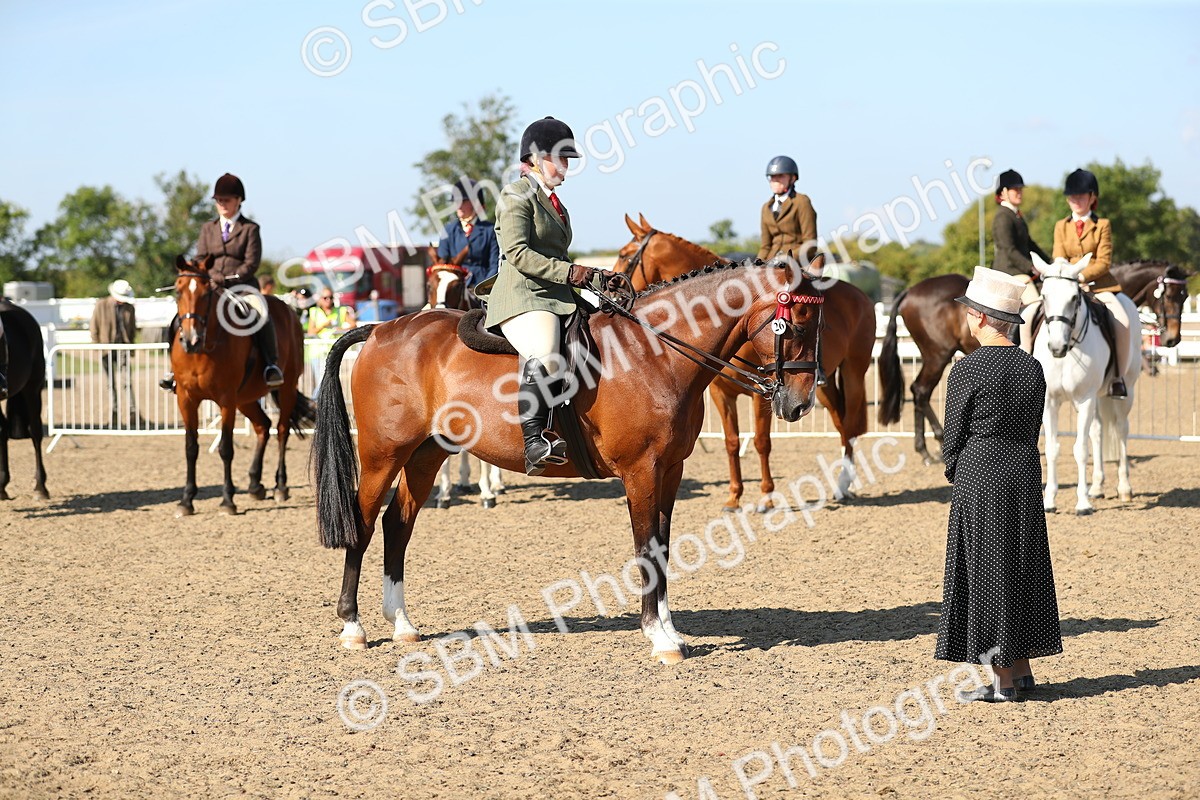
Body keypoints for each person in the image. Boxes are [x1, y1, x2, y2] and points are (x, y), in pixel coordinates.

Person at [937, 266, 1062, 702]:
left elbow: (952, 439)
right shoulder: (1033, 368)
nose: (968, 319)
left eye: (972, 312)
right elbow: (1032, 429)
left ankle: (1003, 683)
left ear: (984, 318)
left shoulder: (968, 370)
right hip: (1024, 471)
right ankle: (1023, 671)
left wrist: (956, 470)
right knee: (1021, 566)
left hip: (981, 474)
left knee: (988, 572)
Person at [473, 116, 617, 475]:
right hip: (523, 295)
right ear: (535, 158)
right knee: (545, 350)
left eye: (568, 160)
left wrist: (595, 280)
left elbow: (561, 258)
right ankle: (535, 439)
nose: (565, 168)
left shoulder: (557, 205)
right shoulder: (514, 195)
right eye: (560, 158)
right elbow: (519, 254)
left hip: (556, 294)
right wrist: (572, 273)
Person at [159, 173, 284, 391]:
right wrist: (195, 272)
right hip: (210, 288)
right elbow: (200, 257)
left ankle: (270, 365)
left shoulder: (250, 229)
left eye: (226, 200)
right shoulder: (208, 228)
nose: (222, 204)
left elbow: (251, 263)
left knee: (260, 312)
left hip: (241, 287)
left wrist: (225, 278)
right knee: (179, 319)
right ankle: (174, 370)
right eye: (219, 200)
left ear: (238, 201)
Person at [1052, 168, 1131, 397]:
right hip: (1066, 284)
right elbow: (1059, 257)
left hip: (1097, 284)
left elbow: (1104, 261)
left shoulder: (1103, 225)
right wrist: (1066, 278)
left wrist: (1083, 277)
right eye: (1072, 196)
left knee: (1123, 321)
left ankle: (1117, 378)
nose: (1076, 200)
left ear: (1092, 197)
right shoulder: (1061, 226)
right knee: (1033, 317)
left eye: (1081, 196)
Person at [436, 177, 501, 292]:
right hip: (454, 288)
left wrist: (484, 288)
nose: (458, 206)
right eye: (456, 202)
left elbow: (494, 265)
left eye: (463, 201)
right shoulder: (448, 230)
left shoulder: (490, 230)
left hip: (482, 286)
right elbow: (442, 263)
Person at [756, 155, 819, 271]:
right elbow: (765, 246)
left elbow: (810, 244)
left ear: (793, 178)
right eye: (772, 177)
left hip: (797, 265)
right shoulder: (766, 208)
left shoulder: (801, 202)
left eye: (780, 176)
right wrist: (757, 265)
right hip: (771, 265)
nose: (775, 180)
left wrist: (785, 259)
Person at [90, 279, 139, 427]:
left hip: (123, 347)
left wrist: (130, 345)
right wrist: (98, 345)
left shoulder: (129, 308)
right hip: (106, 349)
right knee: (110, 383)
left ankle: (132, 413)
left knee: (127, 382)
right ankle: (114, 413)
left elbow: (132, 328)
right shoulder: (101, 305)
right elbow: (94, 327)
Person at [306, 289, 357, 397]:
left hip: (334, 351)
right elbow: (310, 332)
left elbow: (353, 325)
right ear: (320, 299)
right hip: (318, 352)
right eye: (325, 298)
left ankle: (316, 404)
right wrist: (323, 325)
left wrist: (341, 329)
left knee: (330, 380)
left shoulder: (341, 310)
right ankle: (314, 402)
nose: (328, 300)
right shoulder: (314, 312)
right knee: (322, 381)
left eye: (330, 297)